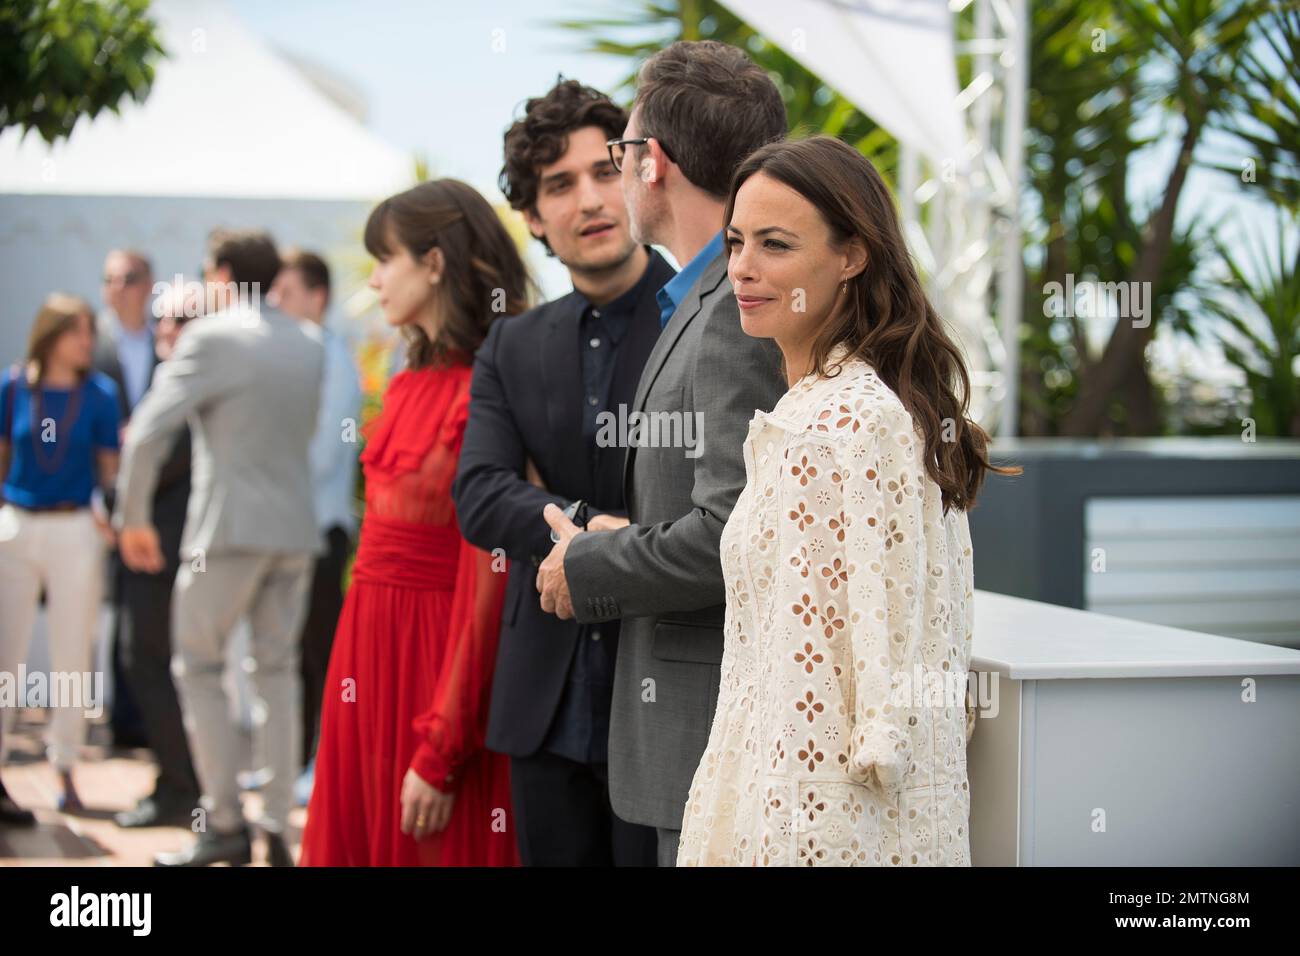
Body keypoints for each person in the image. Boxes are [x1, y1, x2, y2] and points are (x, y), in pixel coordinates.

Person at [677, 135, 1015, 866]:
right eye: (735, 242)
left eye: (775, 244)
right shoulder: (850, 409)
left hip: (815, 824)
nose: (743, 268)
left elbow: (849, 681)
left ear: (852, 255)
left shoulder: (840, 424)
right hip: (803, 801)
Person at [534, 40, 788, 867]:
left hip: (709, 730)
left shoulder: (731, 312)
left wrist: (592, 562)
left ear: (654, 165)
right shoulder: (706, 298)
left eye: (617, 155)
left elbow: (731, 534)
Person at [453, 78, 670, 866]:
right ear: (534, 218)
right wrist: (586, 527)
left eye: (605, 169)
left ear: (642, 175)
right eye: (559, 185)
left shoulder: (708, 319)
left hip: (665, 684)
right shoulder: (512, 345)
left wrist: (565, 518)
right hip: (543, 692)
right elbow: (478, 493)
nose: (590, 198)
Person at [300, 179, 529, 867]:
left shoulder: (490, 387)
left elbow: (489, 580)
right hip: (364, 652)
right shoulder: (403, 380)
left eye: (386, 257)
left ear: (435, 262)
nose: (374, 278)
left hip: (437, 667)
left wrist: (443, 745)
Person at [115, 229, 324, 867]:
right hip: (294, 532)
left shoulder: (213, 334)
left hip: (225, 534)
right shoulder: (309, 343)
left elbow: (149, 429)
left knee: (198, 669)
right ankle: (277, 830)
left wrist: (131, 516)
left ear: (225, 273)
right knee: (277, 674)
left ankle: (225, 826)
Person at [0, 293, 121, 812]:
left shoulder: (100, 394)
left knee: (73, 653)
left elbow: (110, 469)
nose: (87, 343)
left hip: (75, 529)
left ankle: (66, 764)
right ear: (52, 335)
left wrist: (108, 514)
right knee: (7, 654)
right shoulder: (12, 387)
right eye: (78, 332)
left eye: (90, 333)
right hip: (17, 526)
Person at [267, 250, 362, 803]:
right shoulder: (296, 356)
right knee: (287, 652)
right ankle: (290, 761)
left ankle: (318, 763)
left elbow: (328, 451)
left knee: (318, 656)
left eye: (287, 292)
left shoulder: (333, 359)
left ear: (317, 296)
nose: (276, 304)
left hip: (319, 529)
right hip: (290, 525)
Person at [112, 281, 203, 829]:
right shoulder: (175, 378)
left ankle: (181, 788)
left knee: (153, 664)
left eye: (181, 320)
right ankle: (178, 782)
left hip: (163, 550)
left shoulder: (191, 385)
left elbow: (159, 457)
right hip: (158, 546)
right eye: (163, 320)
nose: (166, 329)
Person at [96, 249, 157, 751]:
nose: (119, 287)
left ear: (149, 283)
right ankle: (122, 723)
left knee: (153, 612)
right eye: (111, 279)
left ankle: (152, 724)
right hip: (103, 505)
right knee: (117, 611)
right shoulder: (89, 343)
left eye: (129, 278)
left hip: (162, 500)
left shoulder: (171, 338)